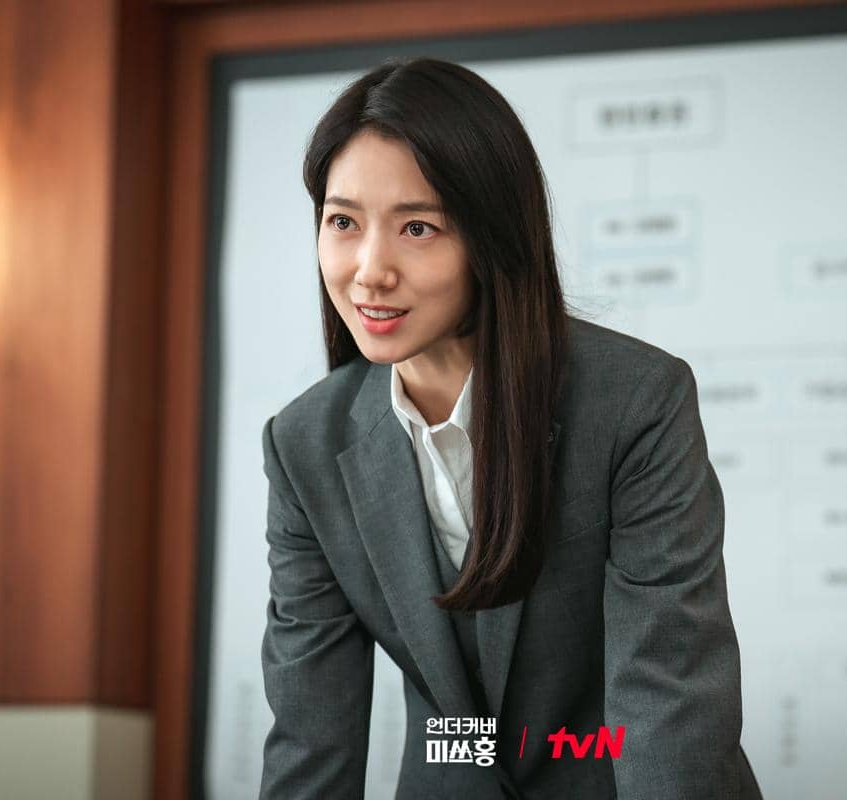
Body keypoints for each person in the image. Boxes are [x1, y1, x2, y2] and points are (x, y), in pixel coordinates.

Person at [259, 57, 762, 800]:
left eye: (418, 227)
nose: (369, 270)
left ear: (492, 237)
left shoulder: (634, 401)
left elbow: (668, 697)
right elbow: (311, 731)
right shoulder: (305, 443)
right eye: (343, 222)